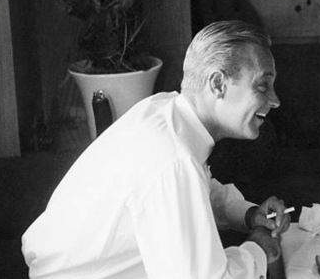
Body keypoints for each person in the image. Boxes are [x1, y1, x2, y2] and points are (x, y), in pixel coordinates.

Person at [22, 20, 290, 278]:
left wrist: (248, 214)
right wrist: (258, 248)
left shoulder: (165, 111)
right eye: (263, 85)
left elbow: (197, 189)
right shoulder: (173, 157)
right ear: (217, 84)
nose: (275, 100)